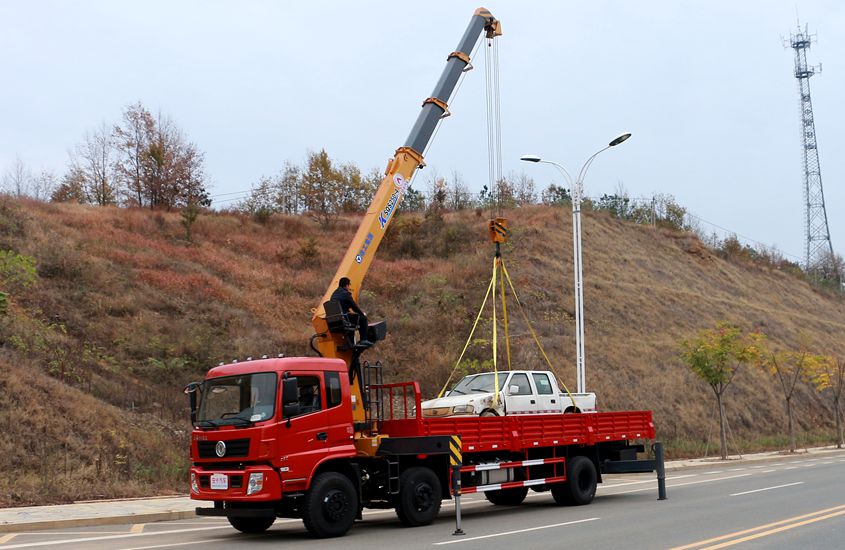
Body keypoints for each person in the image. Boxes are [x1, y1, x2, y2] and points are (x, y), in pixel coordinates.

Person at [330, 276, 372, 346]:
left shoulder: (334, 294)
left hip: (334, 321)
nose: (349, 287)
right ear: (347, 285)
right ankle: (363, 340)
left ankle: (350, 342)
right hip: (343, 318)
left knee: (351, 319)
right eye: (349, 285)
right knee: (363, 319)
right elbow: (354, 307)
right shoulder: (346, 294)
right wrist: (362, 314)